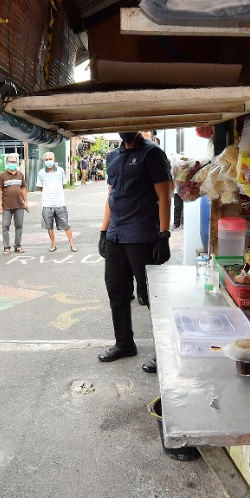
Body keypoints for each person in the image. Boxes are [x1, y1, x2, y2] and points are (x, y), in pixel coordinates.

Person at [98, 130, 174, 373]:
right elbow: (111, 196)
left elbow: (164, 196)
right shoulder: (112, 156)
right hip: (116, 235)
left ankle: (164, 352)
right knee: (116, 291)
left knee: (150, 297)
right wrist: (103, 230)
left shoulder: (152, 154)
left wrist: (163, 236)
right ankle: (124, 344)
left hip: (142, 236)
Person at [38, 151, 77, 252]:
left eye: (50, 159)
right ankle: (53, 245)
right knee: (49, 226)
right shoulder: (41, 173)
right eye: (46, 160)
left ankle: (72, 244)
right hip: (47, 204)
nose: (48, 161)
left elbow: (63, 185)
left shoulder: (60, 171)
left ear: (54, 160)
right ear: (44, 161)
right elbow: (40, 187)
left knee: (66, 224)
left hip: (60, 203)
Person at [0, 152, 27, 254]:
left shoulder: (20, 175)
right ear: (7, 163)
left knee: (19, 226)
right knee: (5, 226)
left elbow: (23, 188)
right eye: (10, 162)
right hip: (6, 206)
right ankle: (6, 247)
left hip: (19, 205)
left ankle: (18, 246)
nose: (12, 163)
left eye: (14, 162)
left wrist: (25, 202)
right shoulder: (2, 176)